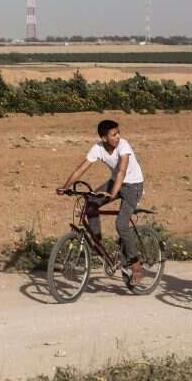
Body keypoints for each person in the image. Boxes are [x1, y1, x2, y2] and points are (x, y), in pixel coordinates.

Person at [58, 119, 145, 284]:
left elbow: (121, 171)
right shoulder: (98, 148)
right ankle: (98, 244)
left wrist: (111, 195)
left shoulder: (123, 146)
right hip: (115, 183)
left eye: (118, 133)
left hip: (133, 186)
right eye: (114, 134)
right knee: (91, 201)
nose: (118, 136)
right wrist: (65, 187)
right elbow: (81, 169)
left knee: (121, 224)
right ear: (104, 138)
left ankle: (136, 265)